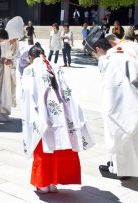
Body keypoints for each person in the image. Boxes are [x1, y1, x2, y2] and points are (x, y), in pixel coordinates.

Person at [20, 43, 94, 193]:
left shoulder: (30, 70)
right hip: (61, 114)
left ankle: (42, 184)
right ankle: (53, 183)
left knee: (43, 148)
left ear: (30, 58)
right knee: (58, 147)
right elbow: (67, 91)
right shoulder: (55, 67)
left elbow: (27, 94)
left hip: (42, 113)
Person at [84, 32, 138, 179]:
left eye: (93, 53)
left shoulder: (111, 59)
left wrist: (110, 111)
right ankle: (123, 168)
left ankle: (123, 170)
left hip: (130, 105)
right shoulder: (127, 50)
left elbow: (114, 90)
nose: (94, 57)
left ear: (99, 49)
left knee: (124, 138)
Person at [0, 17, 22, 122]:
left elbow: (17, 56)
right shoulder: (2, 42)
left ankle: (5, 111)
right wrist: (2, 60)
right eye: (15, 37)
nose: (16, 39)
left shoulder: (16, 43)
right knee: (0, 90)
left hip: (9, 70)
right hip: (1, 70)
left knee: (8, 91)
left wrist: (12, 62)